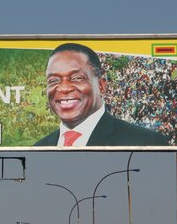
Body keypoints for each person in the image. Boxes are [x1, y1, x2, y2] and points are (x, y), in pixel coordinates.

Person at [35, 43, 169, 147]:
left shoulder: (145, 142)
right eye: (53, 80)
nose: (64, 88)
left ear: (101, 86)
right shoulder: (38, 148)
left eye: (77, 78)